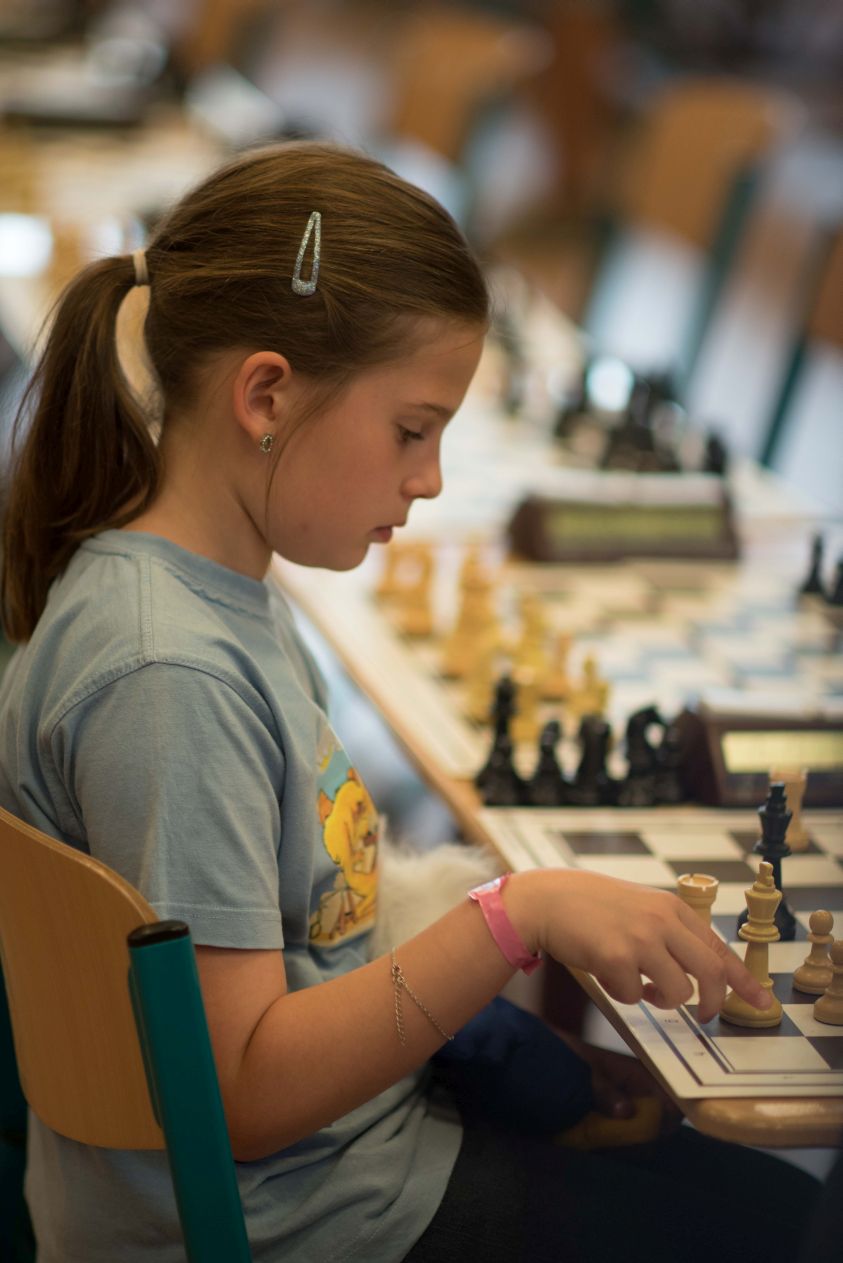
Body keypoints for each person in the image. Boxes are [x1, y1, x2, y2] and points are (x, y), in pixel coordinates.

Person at [0, 141, 820, 1263]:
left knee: (743, 1188)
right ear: (266, 395)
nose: (428, 478)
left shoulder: (203, 593)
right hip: (302, 1219)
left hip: (339, 1161)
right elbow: (244, 1092)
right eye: (411, 429)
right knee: (789, 1226)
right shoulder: (170, 679)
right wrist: (513, 920)